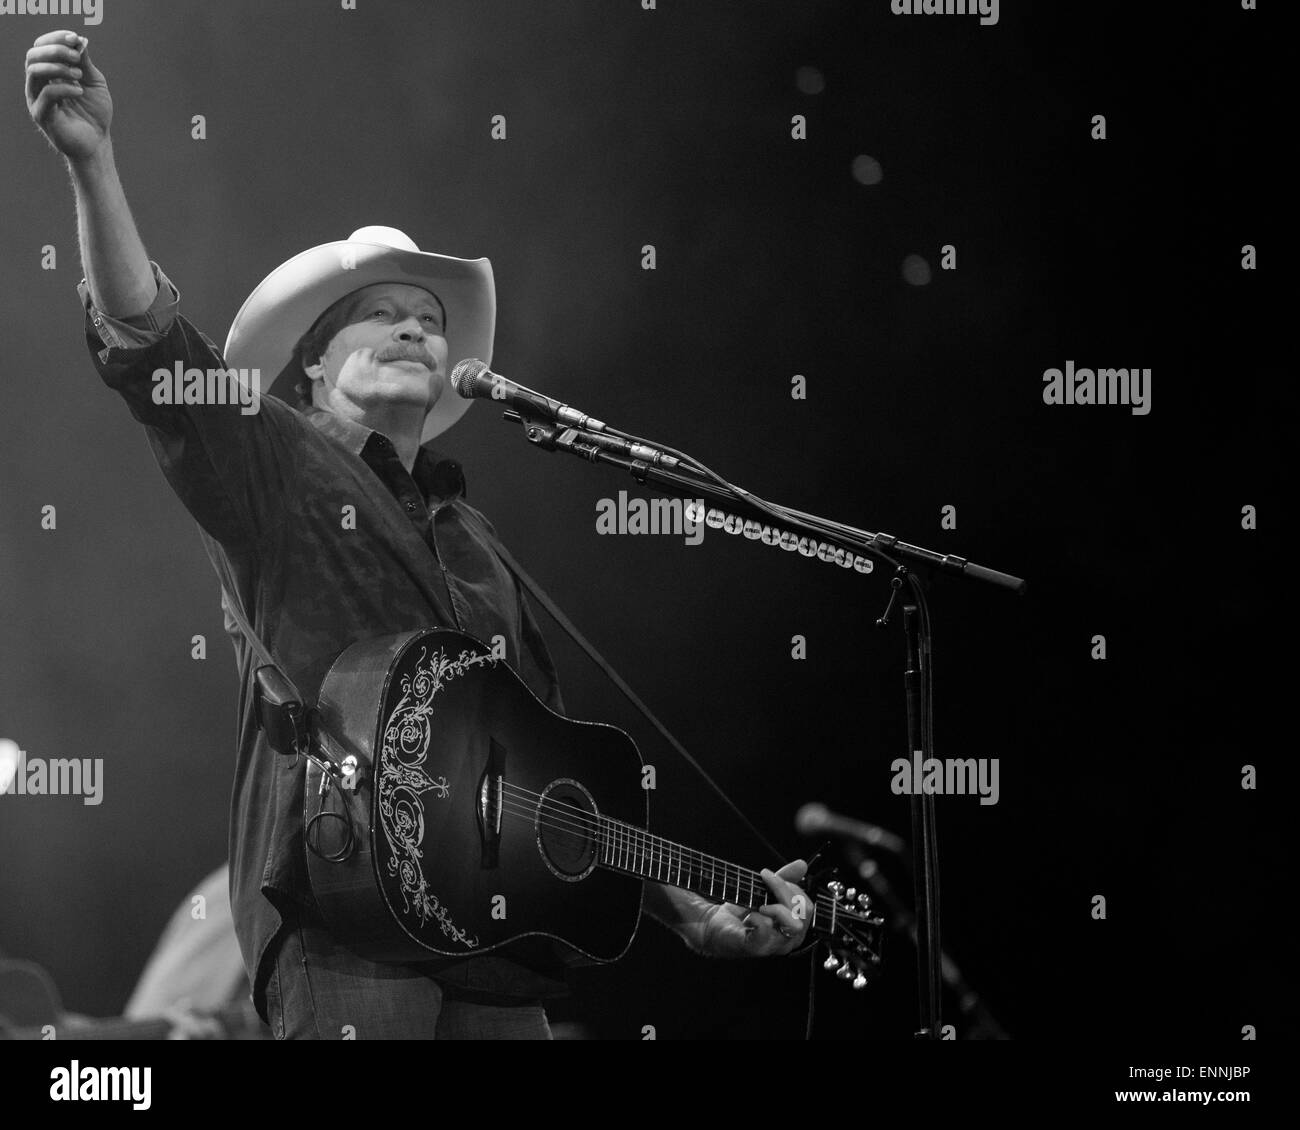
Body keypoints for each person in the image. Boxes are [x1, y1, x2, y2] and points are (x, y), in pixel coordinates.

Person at [24, 29, 813, 1040]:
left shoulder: (476, 539)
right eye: (380, 313)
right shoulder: (269, 455)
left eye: (428, 320)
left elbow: (543, 775)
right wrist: (95, 165)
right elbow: (146, 346)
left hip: (494, 942)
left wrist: (683, 897)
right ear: (308, 366)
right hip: (339, 904)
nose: (415, 329)